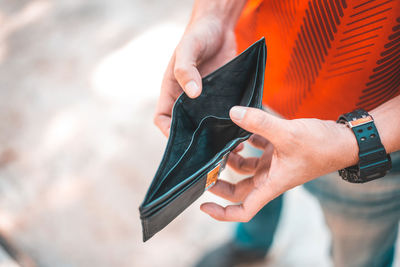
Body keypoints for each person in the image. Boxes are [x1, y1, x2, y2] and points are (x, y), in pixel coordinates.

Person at [154, 0, 400, 266]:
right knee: (248, 181)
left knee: (359, 256)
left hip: (371, 136)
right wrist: (214, 15)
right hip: (250, 80)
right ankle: (250, 245)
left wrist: (351, 141)